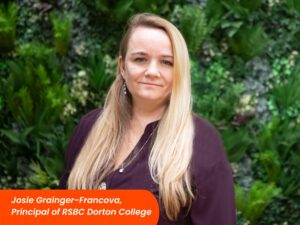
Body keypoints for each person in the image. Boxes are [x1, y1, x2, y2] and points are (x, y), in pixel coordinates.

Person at [59, 13, 236, 225]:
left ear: (179, 72)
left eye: (166, 62)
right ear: (123, 67)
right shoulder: (90, 127)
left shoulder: (202, 142)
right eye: (140, 59)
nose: (152, 71)